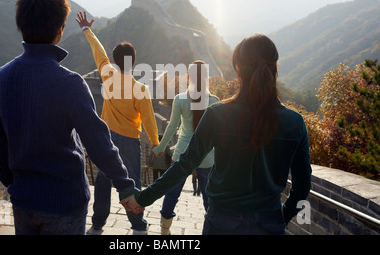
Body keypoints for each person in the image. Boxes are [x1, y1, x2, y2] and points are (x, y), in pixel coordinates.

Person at [0, 0, 138, 235]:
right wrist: (124, 185)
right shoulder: (70, 83)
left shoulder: (0, 79)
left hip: (23, 200)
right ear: (60, 30)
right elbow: (98, 142)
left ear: (21, 26)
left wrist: (14, 184)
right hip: (65, 202)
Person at [125, 34, 312, 235]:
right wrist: (279, 219)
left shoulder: (218, 114)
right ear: (275, 68)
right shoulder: (295, 123)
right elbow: (302, 187)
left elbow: (186, 163)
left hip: (222, 222)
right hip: (268, 222)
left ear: (238, 70)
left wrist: (143, 198)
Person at [76, 11, 159, 235]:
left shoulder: (108, 75)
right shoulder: (141, 90)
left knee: (103, 182)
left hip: (106, 139)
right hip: (131, 142)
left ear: (115, 61)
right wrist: (155, 142)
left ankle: (97, 225)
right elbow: (150, 120)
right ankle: (138, 226)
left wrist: (87, 30)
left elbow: (99, 53)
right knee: (131, 184)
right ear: (134, 61)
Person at [151, 60, 219, 235]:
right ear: (206, 78)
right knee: (208, 199)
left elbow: (172, 127)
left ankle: (164, 230)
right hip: (206, 156)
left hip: (182, 153)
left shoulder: (180, 99)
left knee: (172, 193)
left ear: (189, 77)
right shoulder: (214, 102)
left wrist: (160, 148)